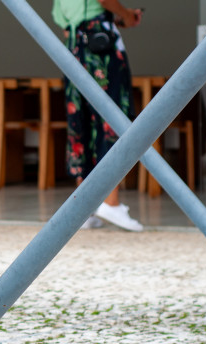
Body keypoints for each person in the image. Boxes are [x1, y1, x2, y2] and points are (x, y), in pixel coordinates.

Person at [52, 0, 144, 231]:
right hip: (100, 45)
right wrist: (125, 15)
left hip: (73, 46)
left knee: (79, 121)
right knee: (110, 118)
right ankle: (111, 203)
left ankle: (83, 209)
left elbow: (61, 19)